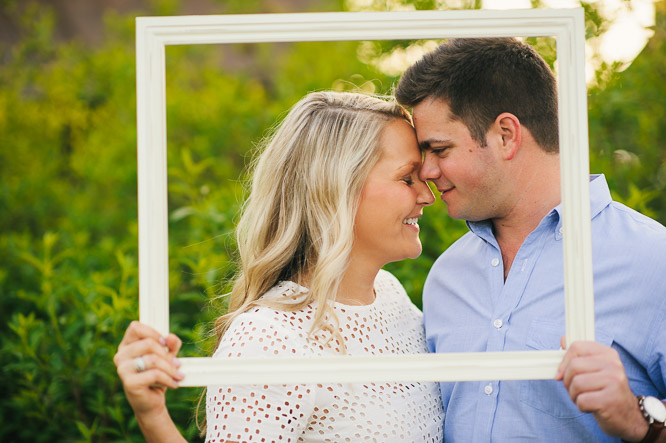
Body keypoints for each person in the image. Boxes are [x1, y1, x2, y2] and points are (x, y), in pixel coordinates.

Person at [114, 91, 445, 442]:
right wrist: (153, 417)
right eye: (407, 178)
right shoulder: (268, 339)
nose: (427, 195)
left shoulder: (391, 296)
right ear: (334, 188)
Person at [395, 37, 666, 442]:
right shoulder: (446, 278)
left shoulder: (652, 260)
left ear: (506, 134)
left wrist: (637, 420)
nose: (428, 171)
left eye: (439, 149)